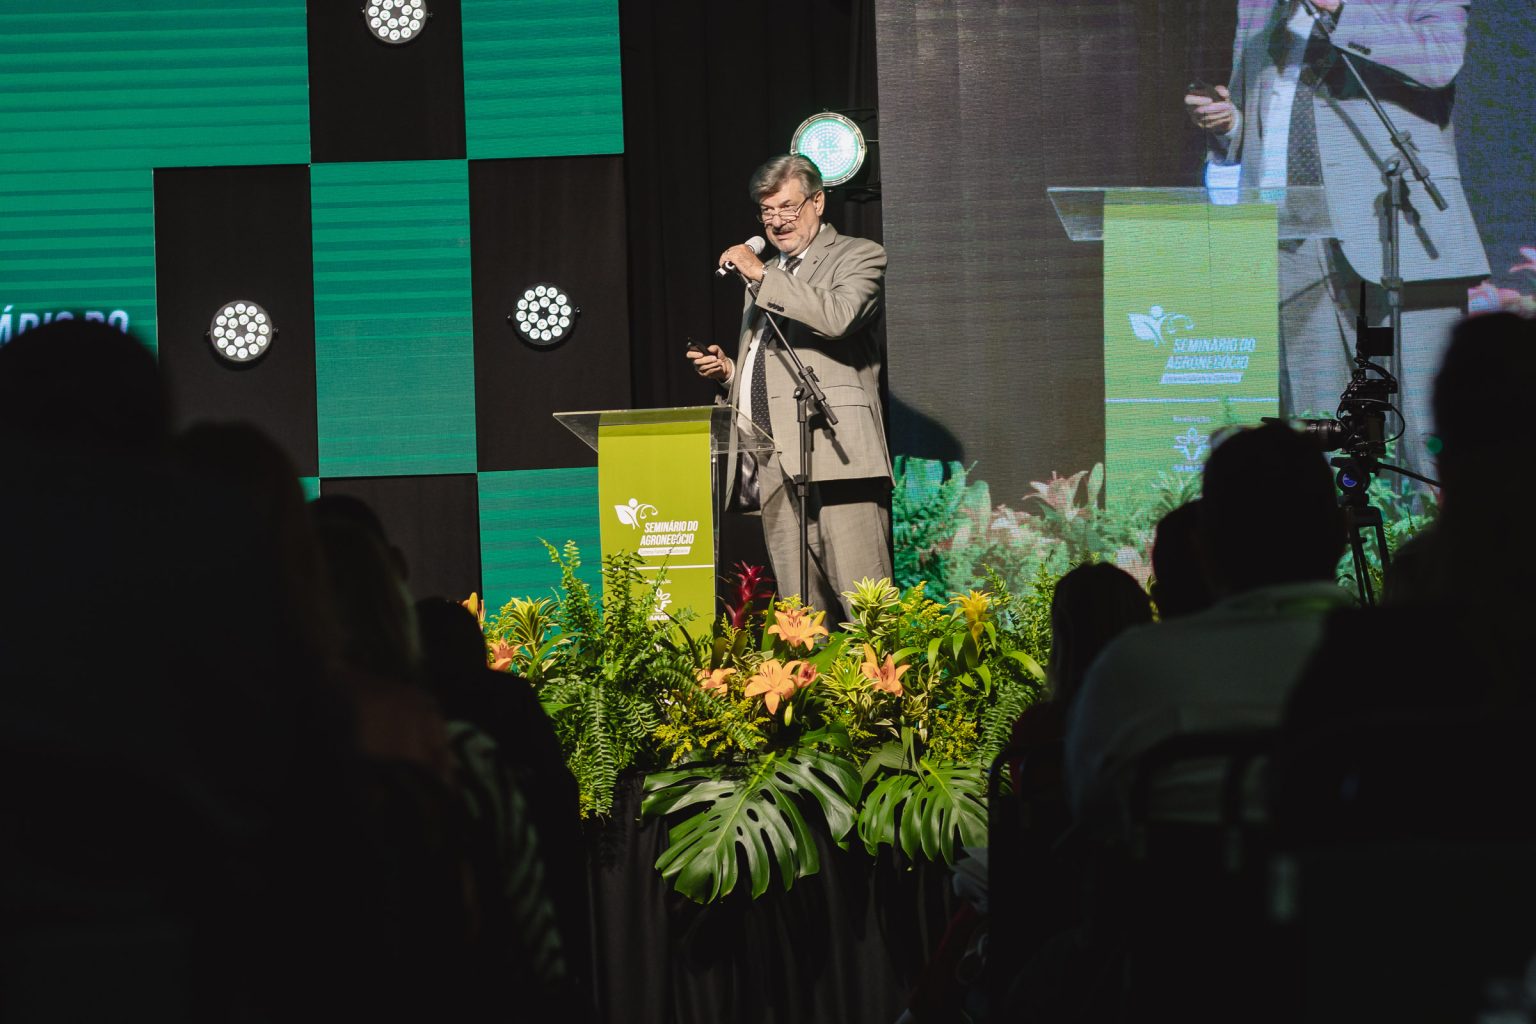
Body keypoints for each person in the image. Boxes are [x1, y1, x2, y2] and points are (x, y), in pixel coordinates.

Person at [1186, 0, 1489, 482]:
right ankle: (1334, 526)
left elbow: (1439, 60)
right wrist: (1231, 124)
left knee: (1424, 428)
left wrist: (1340, 9)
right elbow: (1265, 110)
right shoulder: (1260, 6)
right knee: (1321, 425)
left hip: (1398, 225)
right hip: (1295, 236)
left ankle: (1445, 529)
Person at [1066, 422, 1349, 834]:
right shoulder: (1407, 668)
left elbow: (1090, 813)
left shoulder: (1133, 664)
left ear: (1204, 550)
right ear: (1342, 536)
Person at [688, 154, 891, 615]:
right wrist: (730, 372)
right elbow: (774, 362)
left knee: (869, 608)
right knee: (803, 615)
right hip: (772, 458)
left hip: (836, 455)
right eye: (767, 211)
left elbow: (839, 317)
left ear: (817, 202)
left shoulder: (858, 255)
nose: (777, 221)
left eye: (787, 207)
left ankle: (881, 669)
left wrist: (763, 275)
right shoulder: (767, 276)